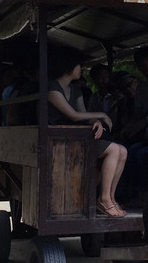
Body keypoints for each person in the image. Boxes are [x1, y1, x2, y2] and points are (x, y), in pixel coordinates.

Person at [47, 47, 128, 218]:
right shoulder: (52, 88)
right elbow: (74, 115)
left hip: (79, 139)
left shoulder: (75, 88)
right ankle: (103, 198)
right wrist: (102, 115)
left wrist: (95, 122)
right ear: (68, 66)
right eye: (79, 65)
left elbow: (83, 114)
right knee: (114, 149)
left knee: (123, 150)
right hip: (59, 141)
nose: (81, 69)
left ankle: (110, 198)